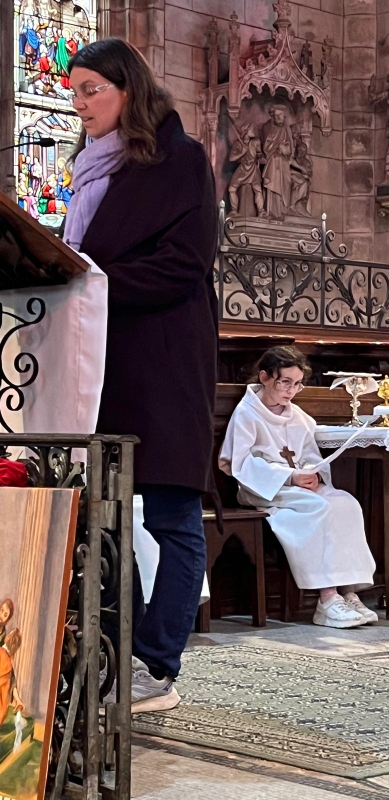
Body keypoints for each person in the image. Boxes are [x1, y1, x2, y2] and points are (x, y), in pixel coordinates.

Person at [65, 38, 218, 711]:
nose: (80, 103)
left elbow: (184, 263)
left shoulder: (179, 160)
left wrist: (93, 281)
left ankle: (156, 665)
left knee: (172, 518)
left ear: (129, 89)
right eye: (74, 91)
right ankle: (111, 654)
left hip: (162, 363)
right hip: (97, 365)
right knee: (101, 521)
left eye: (91, 89)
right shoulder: (89, 172)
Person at [219, 346, 377, 628]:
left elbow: (311, 456)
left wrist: (314, 474)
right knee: (318, 508)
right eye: (285, 382)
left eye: (297, 384)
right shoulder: (247, 413)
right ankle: (327, 598)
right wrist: (290, 477)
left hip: (297, 485)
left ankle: (348, 593)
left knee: (347, 504)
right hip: (264, 488)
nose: (291, 391)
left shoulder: (299, 416)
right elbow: (239, 463)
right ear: (265, 377)